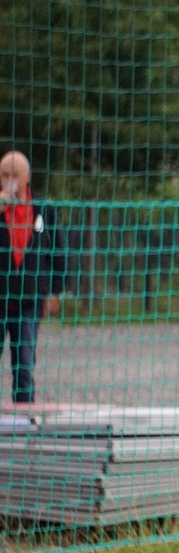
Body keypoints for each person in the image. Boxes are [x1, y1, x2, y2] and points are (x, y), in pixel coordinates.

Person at [0, 150, 67, 403]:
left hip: (30, 299)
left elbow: (57, 252)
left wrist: (55, 291)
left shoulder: (43, 208)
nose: (10, 180)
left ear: (27, 176)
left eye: (15, 174)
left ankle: (23, 419)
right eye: (4, 175)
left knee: (24, 363)